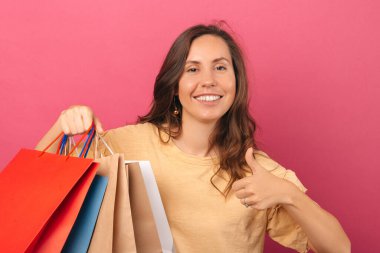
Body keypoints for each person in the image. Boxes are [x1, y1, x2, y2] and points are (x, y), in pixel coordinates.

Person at [36, 23, 350, 253]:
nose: (208, 81)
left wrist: (287, 194)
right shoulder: (126, 145)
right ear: (174, 85)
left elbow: (338, 248)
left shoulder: (257, 171)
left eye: (220, 67)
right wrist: (64, 125)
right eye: (192, 70)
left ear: (236, 83)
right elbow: (36, 195)